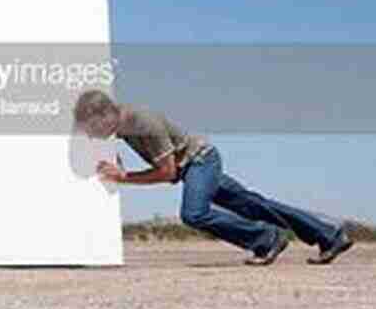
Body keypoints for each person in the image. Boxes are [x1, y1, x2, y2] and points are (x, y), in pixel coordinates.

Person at [73, 89, 353, 265]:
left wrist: (124, 178)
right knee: (257, 205)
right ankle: (329, 235)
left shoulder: (142, 122)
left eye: (93, 127)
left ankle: (266, 238)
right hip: (193, 166)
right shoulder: (122, 124)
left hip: (200, 161)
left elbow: (167, 172)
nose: (92, 133)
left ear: (107, 115)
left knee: (193, 214)